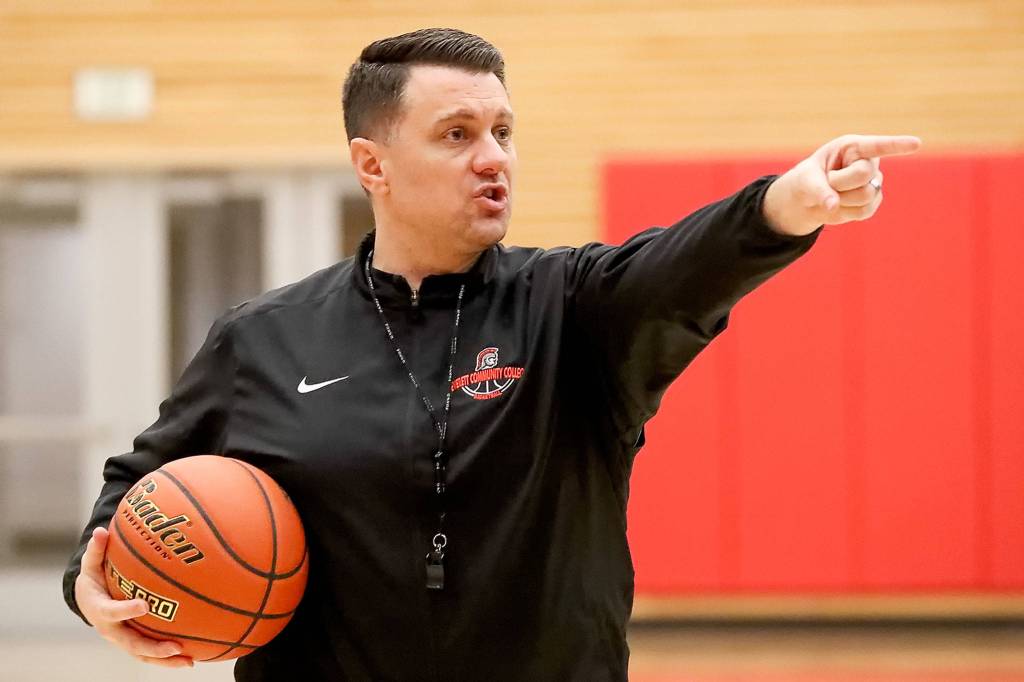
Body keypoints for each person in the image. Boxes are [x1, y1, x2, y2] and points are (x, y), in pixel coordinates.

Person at [63, 27, 921, 681]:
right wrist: (91, 583)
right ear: (374, 164)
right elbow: (134, 485)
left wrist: (784, 203)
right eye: (457, 134)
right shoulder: (263, 337)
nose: (494, 159)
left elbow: (681, 264)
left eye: (504, 131)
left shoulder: (574, 307)